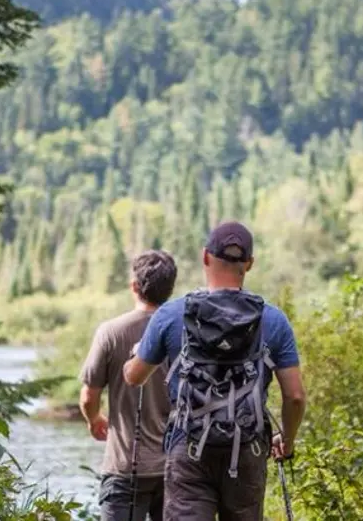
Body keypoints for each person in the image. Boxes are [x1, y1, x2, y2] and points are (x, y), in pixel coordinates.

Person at [122, 221, 306, 521]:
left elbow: (134, 377)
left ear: (205, 256)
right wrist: (287, 439)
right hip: (247, 450)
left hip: (188, 449)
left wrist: (136, 353)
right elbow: (295, 396)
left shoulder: (170, 315)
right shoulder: (273, 320)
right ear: (249, 264)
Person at [78, 249, 179, 521]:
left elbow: (89, 396)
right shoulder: (184, 331)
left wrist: (94, 419)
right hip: (176, 468)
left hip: (124, 467)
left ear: (134, 287)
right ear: (170, 288)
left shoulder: (110, 332)